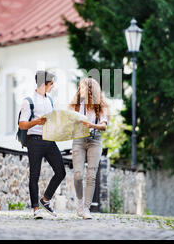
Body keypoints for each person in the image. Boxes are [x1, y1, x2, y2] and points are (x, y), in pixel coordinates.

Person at [18, 70, 66, 219]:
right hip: (35, 141)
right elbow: (22, 125)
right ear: (43, 84)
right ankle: (35, 209)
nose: (52, 87)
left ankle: (45, 200)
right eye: (51, 84)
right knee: (34, 176)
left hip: (49, 140)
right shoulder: (28, 101)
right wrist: (36, 122)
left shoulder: (50, 100)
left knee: (61, 171)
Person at [68, 77, 109, 220]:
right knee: (78, 175)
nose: (80, 90)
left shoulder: (100, 106)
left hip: (95, 141)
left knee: (91, 175)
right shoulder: (77, 105)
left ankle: (86, 208)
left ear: (91, 90)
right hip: (79, 140)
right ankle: (79, 204)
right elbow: (69, 122)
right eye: (80, 87)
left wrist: (92, 125)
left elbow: (104, 126)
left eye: (83, 87)